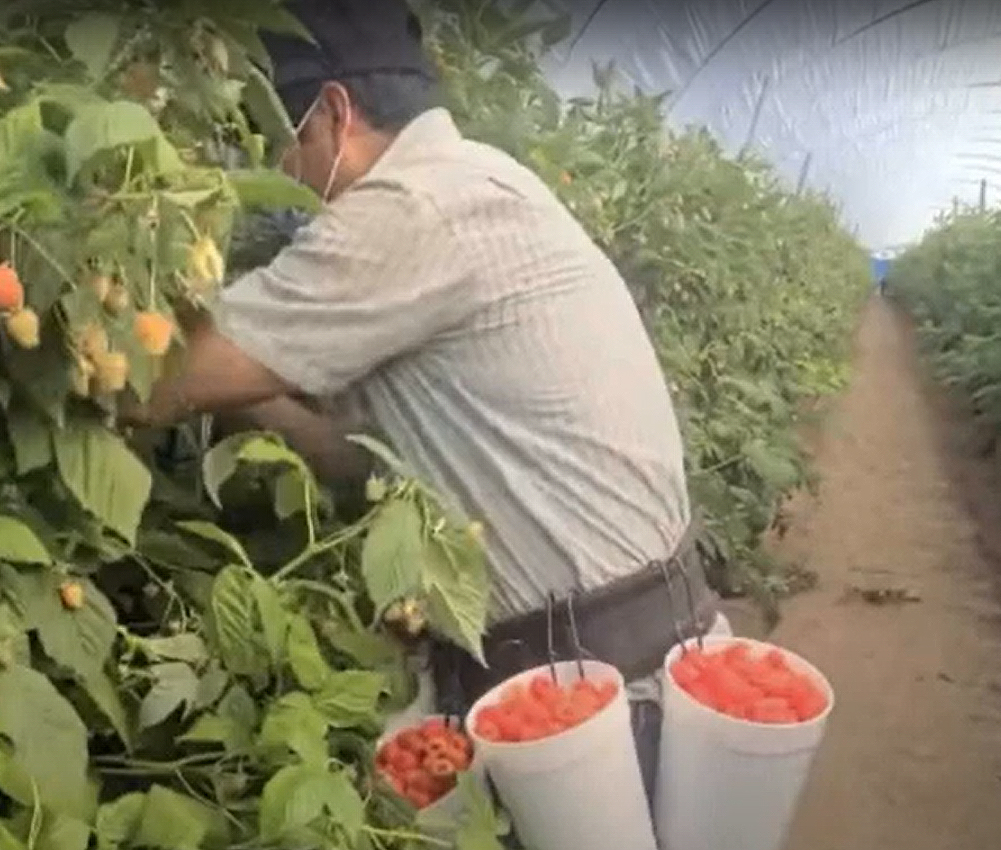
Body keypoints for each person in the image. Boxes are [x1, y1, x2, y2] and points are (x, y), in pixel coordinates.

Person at [126, 0, 730, 800]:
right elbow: (354, 456)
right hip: (638, 655)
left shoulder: (409, 210)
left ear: (335, 112)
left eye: (284, 137)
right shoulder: (485, 181)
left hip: (589, 704)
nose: (280, 164)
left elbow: (154, 379)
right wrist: (256, 383)